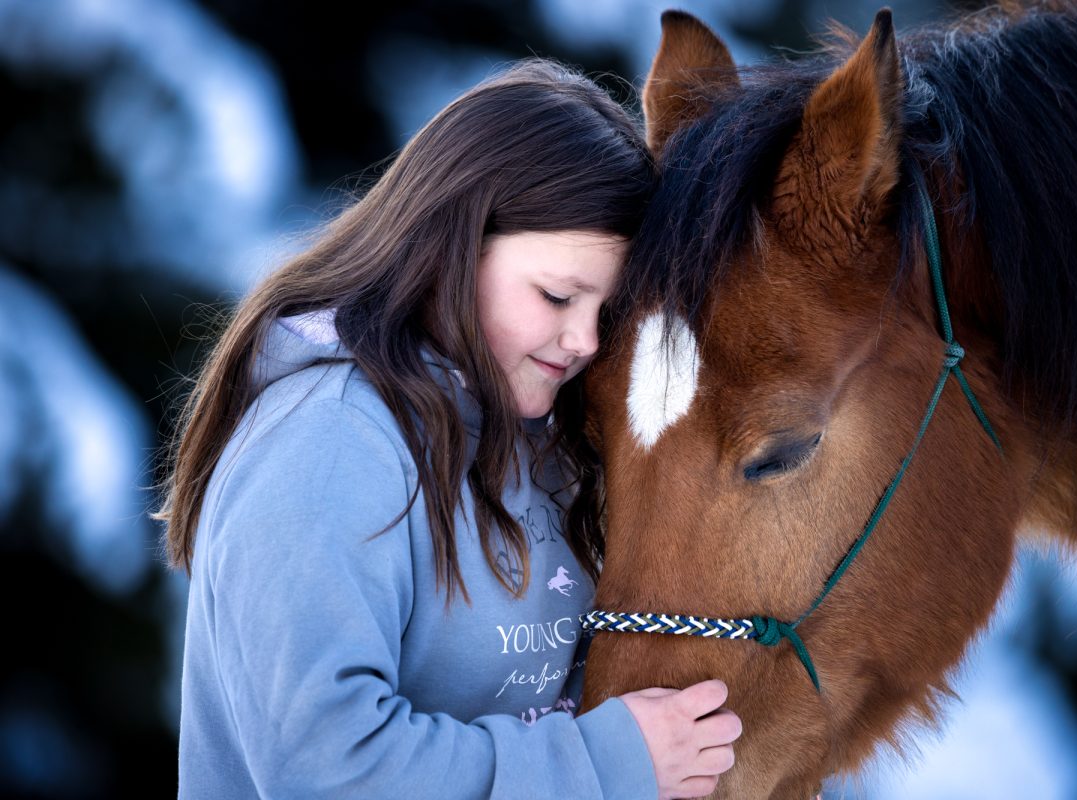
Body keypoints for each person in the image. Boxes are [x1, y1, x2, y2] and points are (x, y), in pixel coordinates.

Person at [158, 60, 741, 799]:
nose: (586, 340)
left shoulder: (541, 431)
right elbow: (325, 769)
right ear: (453, 244)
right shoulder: (328, 442)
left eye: (606, 312)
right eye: (558, 295)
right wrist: (602, 764)